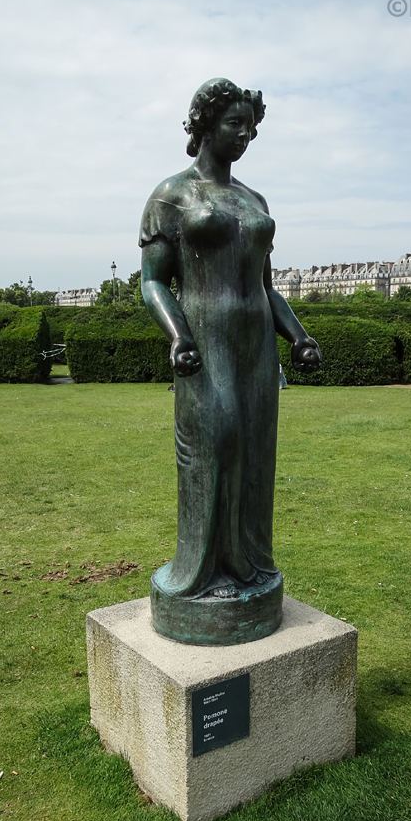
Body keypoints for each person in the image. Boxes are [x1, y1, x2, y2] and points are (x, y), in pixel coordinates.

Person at [140, 78, 321, 644]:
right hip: (204, 343)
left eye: (252, 127)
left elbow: (266, 288)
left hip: (254, 347)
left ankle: (247, 567)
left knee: (254, 450)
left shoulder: (254, 201)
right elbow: (152, 283)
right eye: (234, 124)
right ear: (204, 124)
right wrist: (179, 336)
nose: (245, 135)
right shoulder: (171, 196)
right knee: (212, 447)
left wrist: (298, 336)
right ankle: (199, 573)